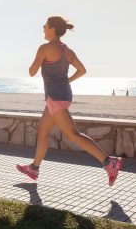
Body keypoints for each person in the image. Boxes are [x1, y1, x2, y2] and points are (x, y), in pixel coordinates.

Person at [16, 16, 122, 186]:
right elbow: (82, 70)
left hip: (55, 98)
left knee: (72, 134)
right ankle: (34, 168)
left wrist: (38, 60)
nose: (43, 29)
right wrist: (67, 80)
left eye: (45, 26)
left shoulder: (44, 48)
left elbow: (31, 71)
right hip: (63, 95)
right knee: (42, 130)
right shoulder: (68, 51)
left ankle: (109, 162)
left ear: (52, 29)